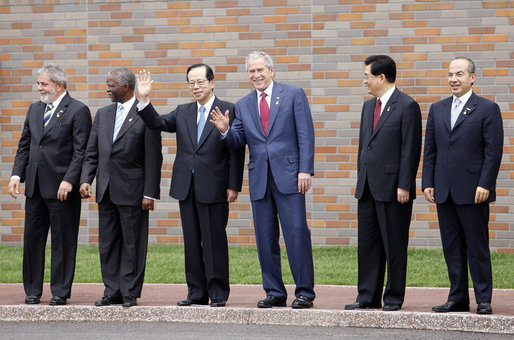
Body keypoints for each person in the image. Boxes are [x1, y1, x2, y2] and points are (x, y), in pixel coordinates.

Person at [210, 51, 315, 309]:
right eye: (251, 71)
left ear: (271, 70)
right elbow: (237, 141)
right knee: (265, 238)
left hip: (290, 177)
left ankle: (304, 292)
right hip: (260, 179)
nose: (256, 75)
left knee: (297, 233)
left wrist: (305, 169)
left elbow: (306, 134)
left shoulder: (293, 94)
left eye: (260, 70)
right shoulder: (243, 105)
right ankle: (274, 292)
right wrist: (225, 130)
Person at [136, 64, 245, 307]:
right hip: (186, 186)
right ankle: (196, 292)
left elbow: (236, 150)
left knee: (214, 239)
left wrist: (233, 185)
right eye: (191, 83)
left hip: (215, 186)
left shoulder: (228, 109)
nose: (195, 87)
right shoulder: (183, 111)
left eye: (200, 82)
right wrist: (143, 100)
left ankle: (217, 293)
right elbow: (157, 123)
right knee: (192, 240)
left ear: (212, 82)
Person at [422, 57, 503, 315]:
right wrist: (427, 183)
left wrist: (486, 184)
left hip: (474, 191)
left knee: (477, 246)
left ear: (472, 78)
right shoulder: (437, 108)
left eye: (459, 74)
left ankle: (483, 299)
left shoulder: (488, 109)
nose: (453, 79)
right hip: (444, 191)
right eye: (450, 74)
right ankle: (457, 296)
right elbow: (431, 150)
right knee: (452, 246)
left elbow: (493, 151)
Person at [8, 64, 92, 306]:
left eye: (43, 84)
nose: (39, 88)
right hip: (34, 187)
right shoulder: (35, 109)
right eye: (38, 83)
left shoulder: (78, 110)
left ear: (59, 85)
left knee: (63, 241)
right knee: (32, 241)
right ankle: (32, 290)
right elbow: (25, 145)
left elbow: (81, 151)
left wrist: (69, 179)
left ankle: (60, 291)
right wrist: (16, 175)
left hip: (62, 189)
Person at [80, 67, 162, 308]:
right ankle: (111, 290)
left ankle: (129, 292)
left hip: (133, 192)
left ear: (126, 87)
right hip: (105, 190)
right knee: (107, 243)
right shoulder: (103, 114)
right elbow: (91, 152)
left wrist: (149, 193)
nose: (107, 89)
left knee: (132, 244)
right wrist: (86, 179)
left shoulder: (144, 114)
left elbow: (153, 158)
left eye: (111, 85)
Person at [345, 55, 422, 312]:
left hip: (393, 189)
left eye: (366, 75)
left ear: (381, 77)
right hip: (367, 187)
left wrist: (405, 185)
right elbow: (363, 148)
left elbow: (410, 149)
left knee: (394, 245)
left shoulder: (407, 106)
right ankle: (367, 296)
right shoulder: (369, 106)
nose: (364, 80)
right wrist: (359, 179)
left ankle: (393, 297)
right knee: (367, 244)